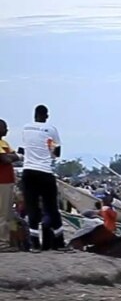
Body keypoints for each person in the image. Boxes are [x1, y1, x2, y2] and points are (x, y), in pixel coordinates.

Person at [20, 104, 65, 251]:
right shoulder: (51, 129)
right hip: (44, 172)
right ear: (46, 116)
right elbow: (56, 153)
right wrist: (49, 149)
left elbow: (27, 146)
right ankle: (59, 243)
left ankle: (34, 244)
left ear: (34, 115)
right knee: (51, 207)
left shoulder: (26, 128)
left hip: (28, 171)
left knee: (32, 207)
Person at [0, 119, 21, 251]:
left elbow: (12, 156)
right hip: (2, 182)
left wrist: (12, 156)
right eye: (4, 127)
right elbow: (7, 159)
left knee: (10, 213)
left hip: (8, 182)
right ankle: (3, 242)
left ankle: (11, 239)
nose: (7, 130)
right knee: (4, 214)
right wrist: (13, 156)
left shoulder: (4, 143)